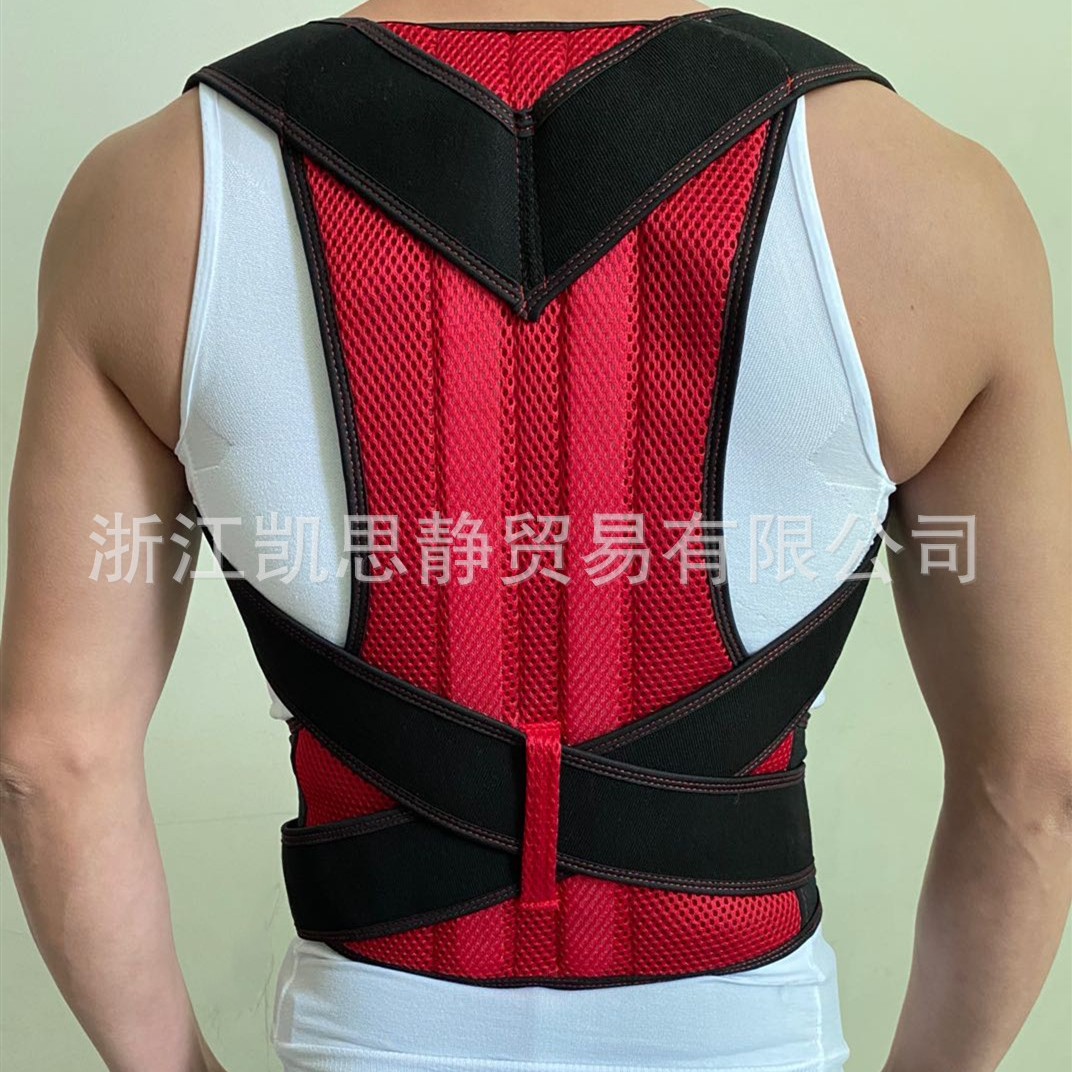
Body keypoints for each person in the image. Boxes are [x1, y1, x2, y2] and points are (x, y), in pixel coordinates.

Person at [1, 2, 1069, 1071]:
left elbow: (49, 760)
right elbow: (1039, 777)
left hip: (368, 1031)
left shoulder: (158, 195)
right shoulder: (930, 203)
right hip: (749, 1033)